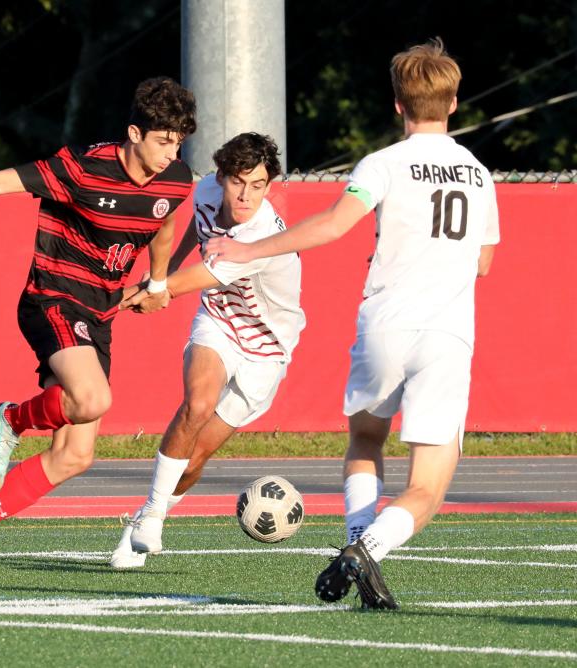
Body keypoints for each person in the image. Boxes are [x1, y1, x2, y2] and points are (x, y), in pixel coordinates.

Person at [204, 39, 499, 609]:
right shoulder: (478, 173)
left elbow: (335, 226)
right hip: (445, 335)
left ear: (397, 105)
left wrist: (246, 250)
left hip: (384, 325)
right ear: (455, 103)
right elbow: (483, 260)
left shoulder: (383, 163)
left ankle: (358, 547)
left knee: (366, 439)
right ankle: (367, 553)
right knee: (427, 487)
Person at [0, 76, 196, 576]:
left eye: (178, 141)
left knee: (74, 455)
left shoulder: (175, 179)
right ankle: (12, 419)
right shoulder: (83, 167)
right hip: (53, 296)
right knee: (93, 400)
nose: (171, 151)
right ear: (134, 132)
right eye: (162, 140)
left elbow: (164, 223)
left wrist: (156, 283)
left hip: (100, 314)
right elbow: (0, 179)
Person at [109, 132, 305, 568]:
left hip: (266, 350)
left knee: (196, 457)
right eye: (239, 182)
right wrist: (164, 270)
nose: (246, 195)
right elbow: (188, 236)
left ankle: (142, 517)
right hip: (217, 321)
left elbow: (184, 286)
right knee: (196, 405)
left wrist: (128, 295)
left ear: (269, 187)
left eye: (258, 185)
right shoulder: (206, 190)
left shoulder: (260, 233)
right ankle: (153, 519)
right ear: (221, 176)